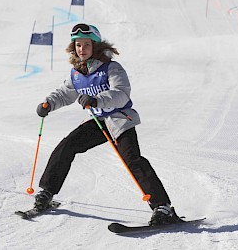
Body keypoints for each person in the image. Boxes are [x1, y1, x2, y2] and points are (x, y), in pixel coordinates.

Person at [34, 23, 181, 226]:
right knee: (66, 146)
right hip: (97, 121)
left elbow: (121, 93)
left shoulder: (111, 68)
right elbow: (65, 93)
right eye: (78, 45)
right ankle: (46, 193)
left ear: (96, 46)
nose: (82, 49)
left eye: (86, 44)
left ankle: (162, 207)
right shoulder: (76, 73)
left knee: (132, 160)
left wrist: (97, 100)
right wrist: (48, 103)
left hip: (120, 119)